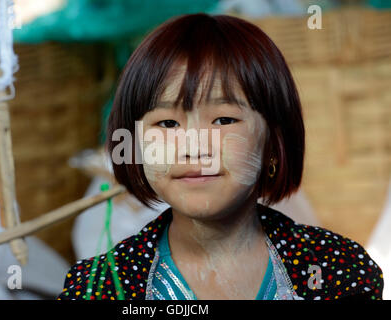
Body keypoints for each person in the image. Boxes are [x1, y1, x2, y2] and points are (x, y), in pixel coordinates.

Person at [58, 13, 383, 300]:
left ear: (274, 140)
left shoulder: (336, 270)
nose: (194, 148)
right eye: (167, 123)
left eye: (224, 120)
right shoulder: (99, 287)